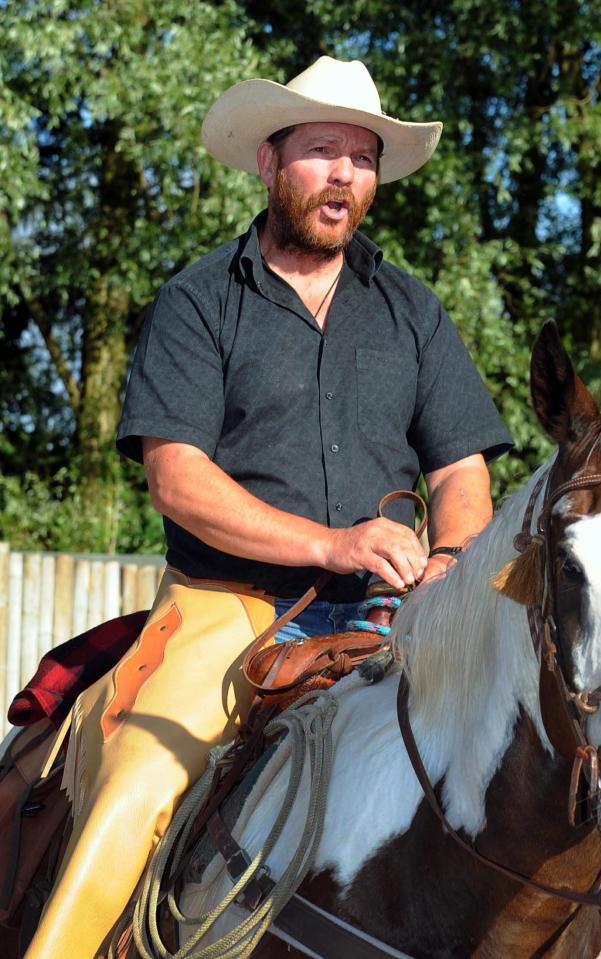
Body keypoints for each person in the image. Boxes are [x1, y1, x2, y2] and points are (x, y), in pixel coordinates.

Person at [24, 56, 512, 959]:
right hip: (225, 610)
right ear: (269, 163)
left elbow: (461, 473)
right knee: (137, 783)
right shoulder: (199, 302)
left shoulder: (414, 311)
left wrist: (451, 561)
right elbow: (178, 478)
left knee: (542, 765)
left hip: (399, 611)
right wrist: (333, 543)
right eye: (322, 151)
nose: (344, 175)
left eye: (361, 158)